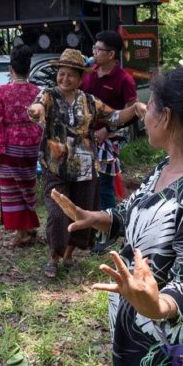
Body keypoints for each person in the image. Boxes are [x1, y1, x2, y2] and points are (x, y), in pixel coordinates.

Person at [51, 66, 183, 366]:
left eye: (150, 106)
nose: (144, 116)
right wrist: (92, 216)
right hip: (140, 332)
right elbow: (129, 212)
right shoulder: (165, 168)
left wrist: (157, 305)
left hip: (172, 349)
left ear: (166, 116)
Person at [27, 49, 144, 278]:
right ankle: (54, 256)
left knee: (81, 213)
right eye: (61, 74)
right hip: (56, 166)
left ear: (80, 78)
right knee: (57, 213)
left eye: (71, 75)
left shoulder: (90, 101)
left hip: (86, 167)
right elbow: (38, 106)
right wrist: (36, 110)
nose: (64, 79)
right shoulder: (49, 95)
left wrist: (135, 109)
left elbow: (115, 117)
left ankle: (70, 254)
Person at [81, 30, 138, 254]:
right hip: (85, 138)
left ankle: (109, 231)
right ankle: (90, 227)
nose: (94, 53)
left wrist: (108, 129)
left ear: (112, 54)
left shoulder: (124, 80)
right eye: (94, 48)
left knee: (105, 186)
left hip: (108, 140)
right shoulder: (89, 73)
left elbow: (132, 112)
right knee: (87, 183)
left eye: (98, 49)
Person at [0, 45, 43, 247]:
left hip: (11, 145)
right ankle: (29, 227)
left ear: (10, 69)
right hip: (32, 145)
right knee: (27, 186)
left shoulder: (3, 91)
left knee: (12, 190)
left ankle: (22, 233)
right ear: (29, 69)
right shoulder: (37, 91)